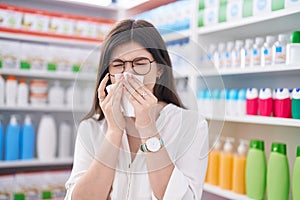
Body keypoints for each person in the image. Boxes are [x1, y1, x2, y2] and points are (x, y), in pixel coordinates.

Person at [65, 19, 208, 200]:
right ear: (108, 75)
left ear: (159, 70)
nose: (128, 74)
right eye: (118, 65)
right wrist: (114, 131)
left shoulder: (191, 125)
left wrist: (148, 128)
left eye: (140, 63)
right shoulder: (92, 127)